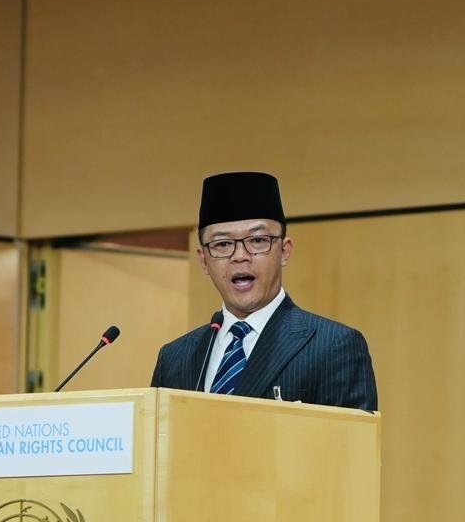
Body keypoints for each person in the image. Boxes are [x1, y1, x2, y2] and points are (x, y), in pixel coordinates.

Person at [150, 171, 378, 411]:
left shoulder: (333, 346)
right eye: (223, 244)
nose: (240, 256)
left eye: (257, 240)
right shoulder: (174, 358)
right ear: (204, 261)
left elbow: (350, 436)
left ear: (284, 251)